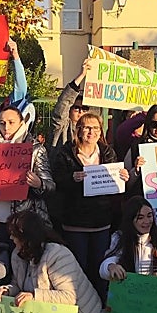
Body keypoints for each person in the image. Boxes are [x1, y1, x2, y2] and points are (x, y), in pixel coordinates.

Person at [0, 210, 103, 313]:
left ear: (26, 236)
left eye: (14, 234)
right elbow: (18, 284)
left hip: (80, 312)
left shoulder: (57, 254)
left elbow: (69, 297)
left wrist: (34, 295)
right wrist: (8, 290)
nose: (11, 238)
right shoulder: (17, 255)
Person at [51, 111, 125, 295]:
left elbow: (114, 185)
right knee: (78, 266)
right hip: (74, 222)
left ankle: (100, 304)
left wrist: (122, 177)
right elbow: (56, 181)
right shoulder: (65, 152)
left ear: (101, 131)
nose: (91, 132)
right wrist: (71, 179)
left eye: (96, 128)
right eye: (86, 127)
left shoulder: (107, 152)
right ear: (78, 130)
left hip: (101, 221)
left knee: (100, 266)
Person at [0, 105, 55, 226]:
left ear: (21, 123)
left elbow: (51, 187)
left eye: (11, 122)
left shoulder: (35, 149)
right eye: (2, 123)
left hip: (22, 223)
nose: (6, 127)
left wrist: (39, 184)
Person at [50, 58, 93, 149]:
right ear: (70, 109)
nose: (80, 111)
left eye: (84, 108)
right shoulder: (62, 126)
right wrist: (82, 75)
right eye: (77, 108)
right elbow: (64, 102)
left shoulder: (93, 130)